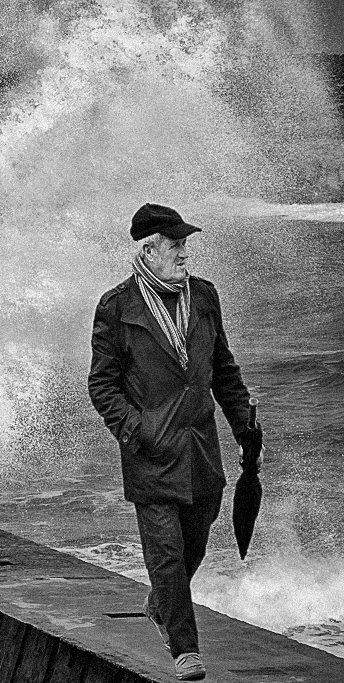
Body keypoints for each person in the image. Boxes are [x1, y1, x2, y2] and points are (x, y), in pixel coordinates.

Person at [87, 203, 260, 681]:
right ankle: (185, 649)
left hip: (200, 447)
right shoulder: (117, 307)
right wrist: (136, 430)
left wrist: (245, 426)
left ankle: (161, 601)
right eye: (176, 245)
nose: (185, 253)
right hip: (150, 453)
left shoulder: (203, 296)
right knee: (165, 552)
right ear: (149, 250)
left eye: (185, 244)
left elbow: (222, 369)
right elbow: (102, 385)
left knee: (196, 539)